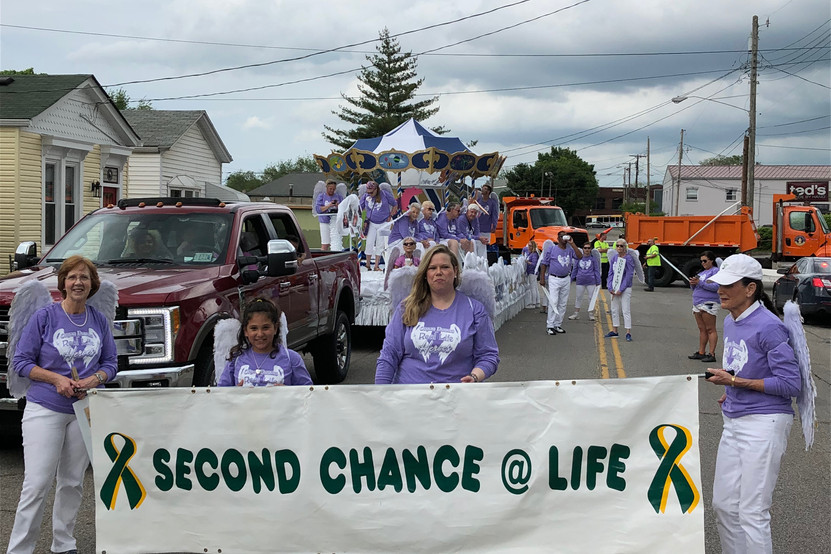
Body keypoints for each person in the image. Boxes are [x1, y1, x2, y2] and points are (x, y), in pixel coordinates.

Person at [8, 255, 118, 554]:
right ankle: (20, 548)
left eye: (84, 277)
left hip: (83, 410)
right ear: (63, 283)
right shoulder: (44, 317)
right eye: (72, 277)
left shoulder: (98, 319)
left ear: (93, 284)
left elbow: (111, 362)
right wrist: (56, 379)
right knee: (37, 484)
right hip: (45, 408)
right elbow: (21, 362)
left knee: (72, 482)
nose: (78, 282)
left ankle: (64, 543)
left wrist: (95, 378)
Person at [703, 254, 801, 554]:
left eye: (728, 285)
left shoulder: (769, 326)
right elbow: (743, 367)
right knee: (724, 506)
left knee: (752, 511)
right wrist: (731, 388)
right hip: (733, 419)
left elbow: (791, 384)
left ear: (750, 289)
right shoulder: (731, 321)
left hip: (765, 423)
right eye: (719, 284)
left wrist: (735, 383)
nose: (720, 291)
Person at [375, 244, 499, 384]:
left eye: (445, 267)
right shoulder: (406, 307)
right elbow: (389, 355)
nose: (438, 272)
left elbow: (488, 355)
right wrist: (380, 391)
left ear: (455, 271)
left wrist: (475, 376)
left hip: (457, 392)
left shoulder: (475, 309)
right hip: (409, 393)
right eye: (432, 268)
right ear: (425, 274)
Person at [217, 298, 312, 387]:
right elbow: (220, 394)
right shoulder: (236, 359)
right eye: (254, 328)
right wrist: (234, 393)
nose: (260, 334)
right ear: (245, 331)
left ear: (275, 328)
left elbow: (308, 393)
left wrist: (288, 392)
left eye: (265, 327)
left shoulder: (292, 359)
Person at [539, 231, 582, 335]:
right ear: (558, 238)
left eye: (565, 236)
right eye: (561, 236)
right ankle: (550, 325)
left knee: (563, 303)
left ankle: (557, 324)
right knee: (553, 301)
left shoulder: (570, 250)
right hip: (554, 278)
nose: (564, 238)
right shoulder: (552, 249)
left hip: (566, 278)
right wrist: (542, 278)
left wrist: (572, 243)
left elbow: (579, 256)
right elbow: (544, 264)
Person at [688, 250, 720, 363]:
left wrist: (700, 283)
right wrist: (693, 283)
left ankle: (712, 353)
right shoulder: (701, 273)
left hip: (709, 302)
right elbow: (696, 287)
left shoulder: (716, 271)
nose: (703, 263)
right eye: (701, 261)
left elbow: (716, 287)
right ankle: (701, 352)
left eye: (705, 261)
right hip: (697, 302)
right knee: (702, 329)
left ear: (711, 260)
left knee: (710, 329)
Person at [360, 181, 397, 271]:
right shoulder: (366, 196)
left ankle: (376, 265)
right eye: (368, 192)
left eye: (371, 192)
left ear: (376, 189)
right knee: (369, 242)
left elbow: (395, 204)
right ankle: (368, 264)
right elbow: (360, 208)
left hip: (384, 222)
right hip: (371, 222)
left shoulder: (385, 194)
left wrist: (391, 215)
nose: (370, 194)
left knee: (380, 244)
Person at [605, 239, 636, 341]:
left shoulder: (629, 259)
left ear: (625, 247)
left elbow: (629, 275)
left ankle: (628, 332)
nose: (619, 247)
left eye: (621, 246)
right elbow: (611, 273)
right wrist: (610, 286)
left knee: (625, 310)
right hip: (614, 287)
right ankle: (615, 330)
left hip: (625, 288)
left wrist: (621, 289)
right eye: (617, 245)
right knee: (614, 309)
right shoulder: (614, 258)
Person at [569, 243, 601, 321]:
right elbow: (575, 269)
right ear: (582, 249)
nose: (587, 250)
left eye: (588, 248)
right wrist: (570, 279)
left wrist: (598, 281)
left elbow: (596, 270)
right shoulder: (578, 258)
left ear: (591, 249)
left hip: (591, 281)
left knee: (591, 298)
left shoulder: (593, 259)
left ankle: (591, 313)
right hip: (580, 280)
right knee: (578, 297)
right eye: (585, 248)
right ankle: (576, 313)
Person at [315, 179, 343, 252]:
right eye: (330, 189)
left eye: (333, 189)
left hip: (335, 221)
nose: (332, 191)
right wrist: (329, 205)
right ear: (327, 188)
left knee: (335, 241)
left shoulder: (339, 197)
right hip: (325, 221)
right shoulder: (321, 196)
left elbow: (343, 209)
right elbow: (318, 209)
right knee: (325, 243)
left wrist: (338, 206)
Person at [522, 240, 542, 310]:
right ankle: (537, 302)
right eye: (528, 245)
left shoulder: (534, 254)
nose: (529, 247)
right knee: (535, 287)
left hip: (532, 272)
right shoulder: (532, 253)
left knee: (533, 287)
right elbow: (524, 249)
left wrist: (527, 262)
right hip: (533, 272)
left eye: (530, 246)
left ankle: (533, 303)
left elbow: (534, 264)